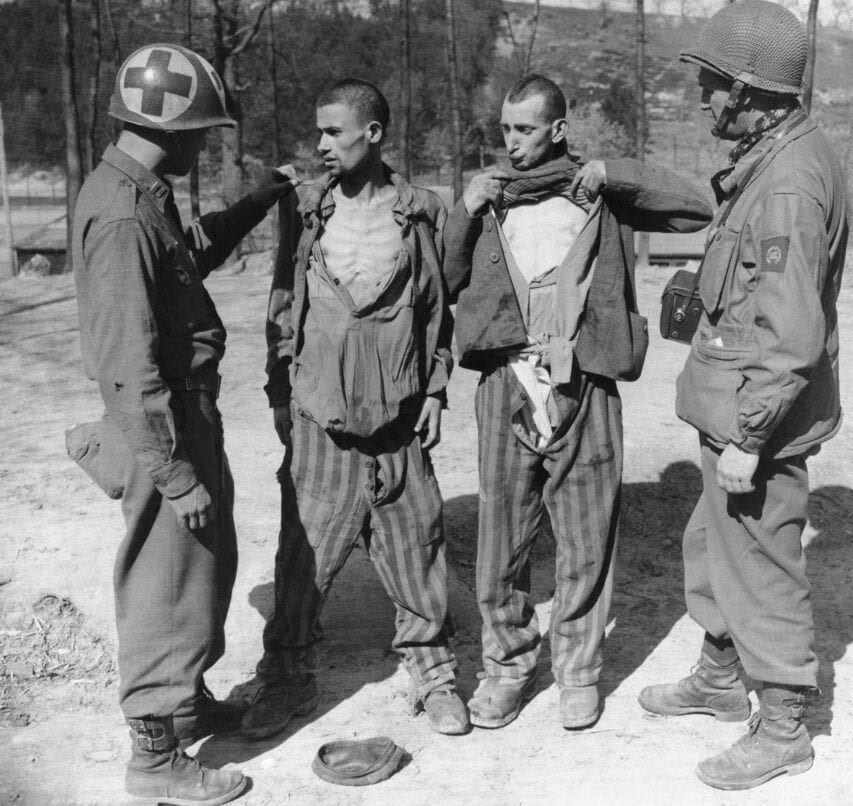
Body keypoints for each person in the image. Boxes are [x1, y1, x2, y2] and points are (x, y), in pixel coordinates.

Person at [443, 74, 712, 731]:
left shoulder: (600, 194)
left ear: (557, 129)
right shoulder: (494, 199)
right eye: (506, 129)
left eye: (525, 129)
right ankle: (506, 668)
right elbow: (443, 277)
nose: (512, 142)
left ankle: (578, 674)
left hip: (586, 381)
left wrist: (612, 173)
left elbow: (694, 208)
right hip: (507, 380)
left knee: (587, 537)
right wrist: (464, 210)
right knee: (501, 535)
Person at [72, 43, 298, 805]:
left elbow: (190, 256)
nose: (205, 145)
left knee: (202, 569)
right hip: (159, 424)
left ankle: (186, 698)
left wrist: (262, 199)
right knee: (164, 585)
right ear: (166, 129)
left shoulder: (141, 192)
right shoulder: (123, 215)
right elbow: (127, 363)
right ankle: (156, 757)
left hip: (183, 414)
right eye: (200, 131)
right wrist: (173, 473)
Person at [637, 0, 848, 791]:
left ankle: (786, 723)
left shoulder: (788, 183)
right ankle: (722, 678)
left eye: (716, 85)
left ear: (753, 92)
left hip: (757, 416)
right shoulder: (773, 157)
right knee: (711, 544)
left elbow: (790, 332)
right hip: (735, 403)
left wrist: (751, 438)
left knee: (762, 564)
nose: (705, 99)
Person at [245, 78, 467, 739]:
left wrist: (434, 389)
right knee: (302, 556)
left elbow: (435, 310)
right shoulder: (308, 210)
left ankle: (434, 675)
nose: (321, 144)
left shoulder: (421, 211)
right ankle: (284, 680)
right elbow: (282, 305)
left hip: (398, 415)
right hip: (320, 416)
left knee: (417, 544)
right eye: (319, 131)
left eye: (333, 132)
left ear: (372, 134)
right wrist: (279, 394)